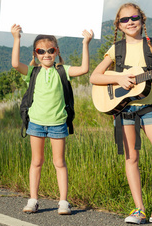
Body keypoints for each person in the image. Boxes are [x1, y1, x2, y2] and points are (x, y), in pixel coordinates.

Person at [89, 3, 152, 226]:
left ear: (142, 20)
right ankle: (139, 209)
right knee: (131, 158)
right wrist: (119, 79)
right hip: (124, 108)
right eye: (124, 20)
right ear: (119, 25)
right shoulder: (116, 49)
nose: (130, 22)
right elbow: (95, 77)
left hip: (149, 105)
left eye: (134, 17)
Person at [11, 24, 93, 215]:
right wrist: (17, 38)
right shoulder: (33, 72)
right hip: (36, 123)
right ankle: (33, 200)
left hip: (58, 124)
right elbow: (15, 64)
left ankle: (63, 202)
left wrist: (85, 43)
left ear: (56, 51)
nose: (46, 54)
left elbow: (84, 69)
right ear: (35, 54)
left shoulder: (62, 70)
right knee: (36, 161)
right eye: (41, 51)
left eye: (50, 50)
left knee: (59, 162)